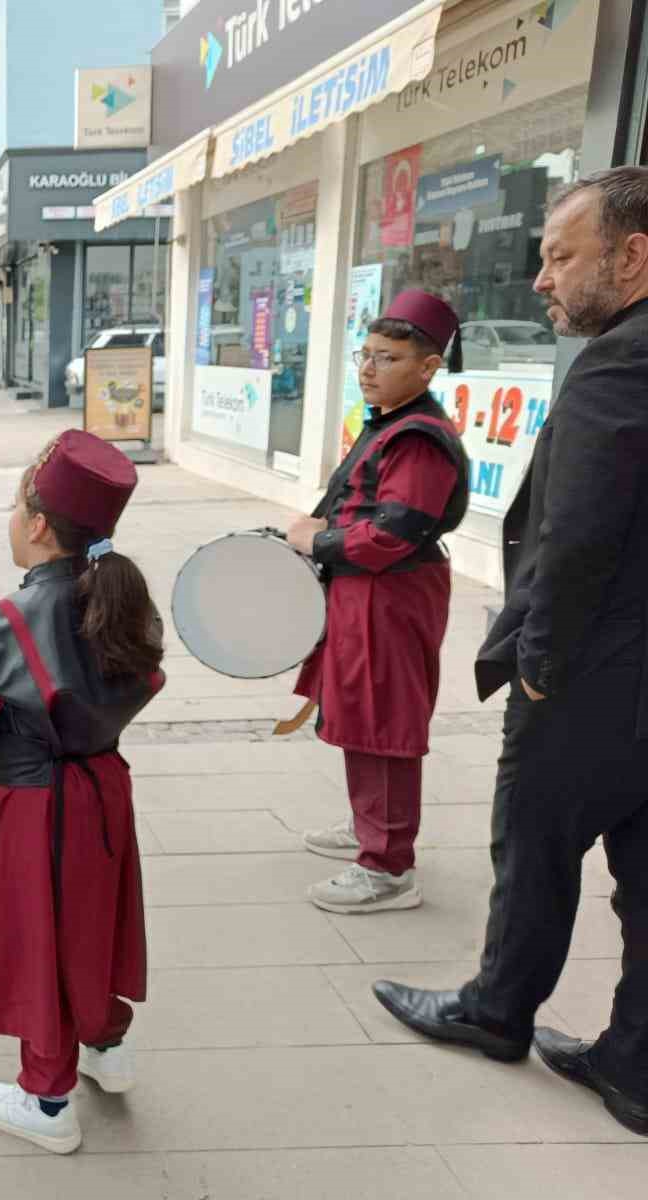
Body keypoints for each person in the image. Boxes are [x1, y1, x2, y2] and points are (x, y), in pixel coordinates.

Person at [373, 167, 648, 1138]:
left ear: (633, 256)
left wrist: (537, 659)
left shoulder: (619, 365)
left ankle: (496, 1009)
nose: (540, 279)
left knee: (532, 848)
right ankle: (635, 1060)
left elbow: (574, 536)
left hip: (591, 680)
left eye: (559, 256)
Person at [0, 431, 164, 1155]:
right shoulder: (117, 599)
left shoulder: (4, 625)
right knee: (96, 920)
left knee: (36, 934)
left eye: (16, 506)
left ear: (40, 524)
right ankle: (107, 1052)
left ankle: (48, 1098)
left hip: (36, 807)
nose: (12, 519)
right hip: (105, 792)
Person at [286, 290, 470, 915]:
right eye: (365, 355)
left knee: (385, 719)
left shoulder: (417, 438)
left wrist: (321, 539)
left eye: (387, 358)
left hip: (391, 593)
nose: (368, 369)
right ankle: (371, 827)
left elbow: (395, 531)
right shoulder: (390, 421)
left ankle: (388, 865)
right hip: (365, 589)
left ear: (427, 368)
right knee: (362, 712)